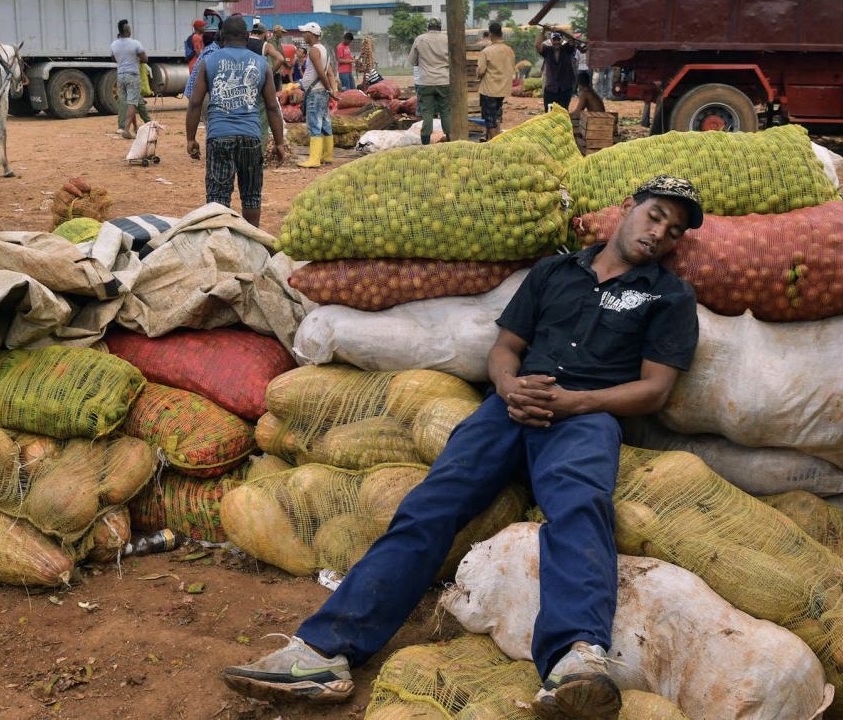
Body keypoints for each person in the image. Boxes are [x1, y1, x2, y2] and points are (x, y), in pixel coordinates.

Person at [222, 175, 706, 720]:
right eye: (655, 215)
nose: (660, 232)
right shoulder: (553, 272)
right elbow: (506, 348)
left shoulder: (668, 295)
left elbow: (655, 389)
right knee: (431, 505)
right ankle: (323, 653)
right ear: (627, 209)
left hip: (585, 417)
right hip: (510, 408)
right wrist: (507, 386)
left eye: (674, 230)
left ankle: (575, 660)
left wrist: (572, 403)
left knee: (579, 507)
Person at [186, 16, 288, 228]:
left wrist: (191, 139)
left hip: (219, 136)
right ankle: (252, 241)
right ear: (246, 36)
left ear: (222, 36)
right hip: (251, 137)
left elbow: (195, 103)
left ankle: (219, 243)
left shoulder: (208, 61)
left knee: (218, 196)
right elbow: (271, 106)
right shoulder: (261, 64)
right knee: (251, 195)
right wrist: (279, 142)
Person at [296, 22, 338, 169]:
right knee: (325, 124)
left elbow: (321, 73)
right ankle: (327, 156)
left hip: (316, 92)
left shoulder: (314, 50)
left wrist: (328, 89)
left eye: (305, 32)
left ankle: (314, 159)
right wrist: (331, 90)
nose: (303, 35)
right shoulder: (323, 49)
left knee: (314, 124)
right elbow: (330, 73)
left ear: (312, 34)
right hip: (321, 92)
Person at [408, 17, 450, 145]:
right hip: (444, 81)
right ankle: (450, 139)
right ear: (440, 27)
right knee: (445, 111)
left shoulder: (420, 39)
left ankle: (426, 143)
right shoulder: (447, 39)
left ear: (428, 27)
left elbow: (412, 61)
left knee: (427, 113)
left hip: (425, 82)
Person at [111, 19, 151, 139]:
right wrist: (135, 58)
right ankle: (126, 130)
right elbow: (145, 59)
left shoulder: (114, 44)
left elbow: (113, 58)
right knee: (132, 103)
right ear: (127, 30)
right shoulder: (135, 43)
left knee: (127, 101)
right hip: (132, 75)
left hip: (121, 75)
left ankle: (136, 126)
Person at [477, 21, 515, 140]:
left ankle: (495, 145)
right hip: (503, 90)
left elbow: (480, 71)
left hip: (489, 90)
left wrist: (478, 74)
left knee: (490, 120)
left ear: (491, 35)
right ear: (501, 34)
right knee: (497, 117)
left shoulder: (486, 51)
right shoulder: (509, 50)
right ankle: (492, 140)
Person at [535, 26, 579, 111]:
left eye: (558, 39)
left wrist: (562, 31)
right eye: (554, 40)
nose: (556, 42)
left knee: (563, 112)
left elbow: (573, 39)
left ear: (561, 40)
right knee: (549, 113)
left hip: (565, 88)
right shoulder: (547, 50)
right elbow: (537, 45)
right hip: (551, 88)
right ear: (551, 40)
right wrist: (543, 31)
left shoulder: (567, 49)